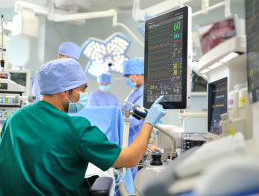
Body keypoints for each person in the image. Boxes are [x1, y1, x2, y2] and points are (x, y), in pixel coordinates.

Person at [0, 58, 166, 195]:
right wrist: (149, 122)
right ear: (65, 91)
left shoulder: (13, 120)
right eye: (82, 89)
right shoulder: (75, 129)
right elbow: (131, 159)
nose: (84, 94)